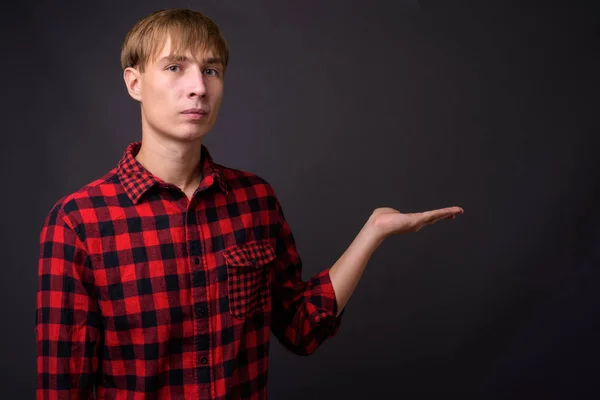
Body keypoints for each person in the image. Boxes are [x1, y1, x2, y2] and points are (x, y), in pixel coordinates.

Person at [35, 8, 463, 399]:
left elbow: (302, 328)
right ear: (134, 83)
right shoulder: (78, 222)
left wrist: (373, 232)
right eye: (174, 68)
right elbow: (62, 387)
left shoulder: (255, 200)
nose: (198, 87)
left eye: (211, 70)